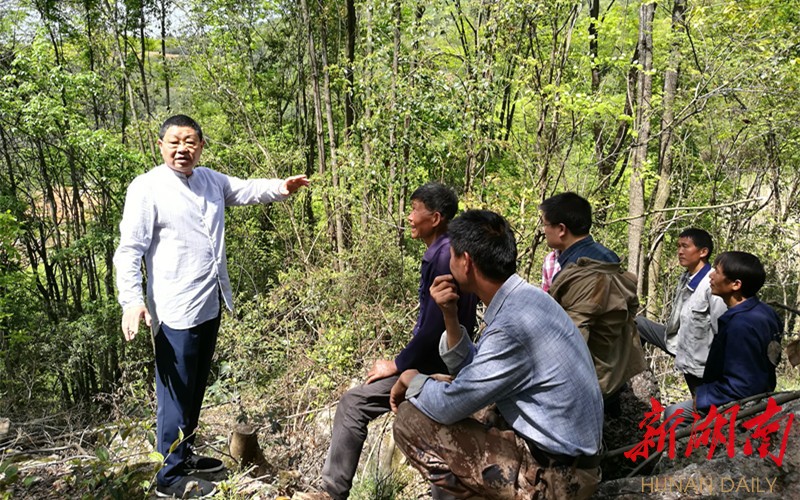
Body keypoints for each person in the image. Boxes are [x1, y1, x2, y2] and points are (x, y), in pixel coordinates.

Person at [114, 114, 308, 499]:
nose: (182, 149)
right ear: (161, 145)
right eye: (174, 142)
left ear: (201, 145)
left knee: (195, 388)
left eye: (190, 141)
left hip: (209, 303)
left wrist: (282, 187)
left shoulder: (210, 181)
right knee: (175, 394)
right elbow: (129, 250)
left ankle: (183, 455)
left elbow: (246, 189)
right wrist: (132, 300)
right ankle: (168, 477)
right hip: (173, 310)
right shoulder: (146, 188)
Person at [389, 210, 604, 499]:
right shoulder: (527, 300)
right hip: (568, 458)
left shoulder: (513, 325)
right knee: (441, 384)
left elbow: (449, 405)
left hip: (559, 479)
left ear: (465, 262)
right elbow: (477, 371)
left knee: (410, 418)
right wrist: (450, 317)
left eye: (452, 255)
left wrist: (412, 378)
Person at [296, 183, 478, 500]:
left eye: (414, 209)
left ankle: (331, 492)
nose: (409, 217)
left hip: (437, 366)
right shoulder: (448, 251)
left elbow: (436, 329)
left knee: (353, 404)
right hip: (444, 363)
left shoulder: (443, 257)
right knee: (439, 432)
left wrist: (397, 365)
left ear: (435, 217)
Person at [540, 193, 646, 412]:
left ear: (561, 229)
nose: (543, 231)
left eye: (545, 224)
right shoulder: (607, 256)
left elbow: (573, 333)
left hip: (593, 375)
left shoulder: (582, 269)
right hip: (615, 361)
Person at [665, 252, 782, 423]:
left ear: (736, 284)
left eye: (717, 272)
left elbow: (744, 385)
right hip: (762, 394)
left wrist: (704, 397)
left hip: (744, 404)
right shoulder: (765, 312)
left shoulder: (741, 325)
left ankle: (684, 450)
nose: (711, 276)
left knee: (674, 414)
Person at [635, 228, 727, 395]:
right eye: (678, 246)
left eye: (685, 246)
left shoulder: (711, 284)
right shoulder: (686, 277)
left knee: (701, 405)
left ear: (703, 252)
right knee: (638, 323)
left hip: (699, 358)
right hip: (678, 342)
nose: (680, 252)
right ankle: (630, 375)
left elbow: (721, 328)